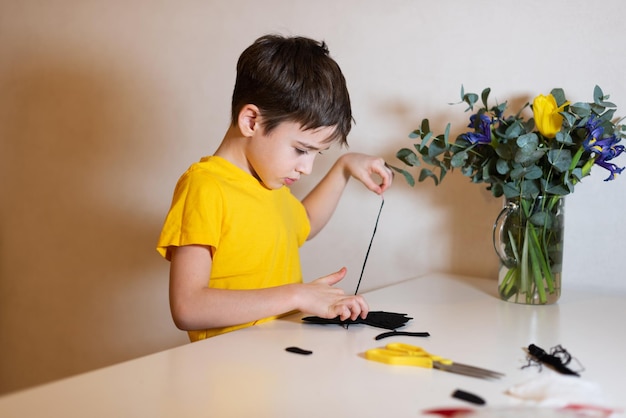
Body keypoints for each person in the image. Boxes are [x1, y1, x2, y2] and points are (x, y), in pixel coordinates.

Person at [157, 34, 393, 341]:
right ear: (252, 121)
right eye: (300, 149)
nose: (306, 168)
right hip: (226, 376)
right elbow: (188, 307)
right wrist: (298, 295)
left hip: (278, 363)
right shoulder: (205, 187)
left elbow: (303, 223)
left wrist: (344, 167)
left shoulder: (272, 185)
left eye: (316, 154)